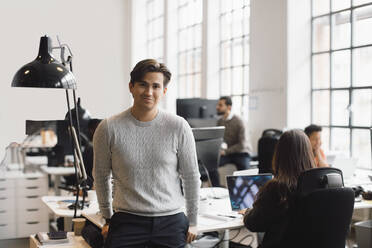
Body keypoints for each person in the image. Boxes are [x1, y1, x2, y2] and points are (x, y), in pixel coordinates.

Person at [93, 59, 201, 248]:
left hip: (171, 221)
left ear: (164, 91)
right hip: (127, 221)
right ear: (131, 87)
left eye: (156, 86)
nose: (149, 92)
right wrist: (107, 217)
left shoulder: (178, 126)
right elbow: (101, 176)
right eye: (143, 84)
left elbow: (191, 176)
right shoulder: (109, 127)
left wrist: (192, 220)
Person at [241, 129, 315, 248]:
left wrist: (247, 212)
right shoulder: (320, 185)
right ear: (309, 153)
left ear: (279, 154)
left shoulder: (277, 188)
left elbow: (254, 224)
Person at [211, 96, 252, 186]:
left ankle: (244, 193)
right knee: (211, 165)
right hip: (229, 153)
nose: (217, 107)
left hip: (242, 153)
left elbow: (242, 145)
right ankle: (216, 189)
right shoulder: (220, 122)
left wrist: (225, 151)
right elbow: (219, 139)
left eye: (220, 105)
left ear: (229, 107)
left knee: (246, 173)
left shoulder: (240, 121)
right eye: (218, 104)